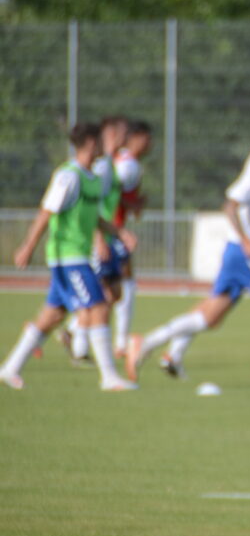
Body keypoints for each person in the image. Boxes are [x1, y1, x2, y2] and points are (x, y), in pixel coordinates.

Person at [127, 126, 250, 386]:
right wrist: (247, 242)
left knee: (210, 318)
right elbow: (230, 205)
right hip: (245, 252)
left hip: (246, 251)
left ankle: (146, 342)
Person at [0, 122, 138, 391]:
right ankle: (109, 377)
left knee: (51, 316)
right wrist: (28, 246)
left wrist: (119, 232)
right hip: (67, 258)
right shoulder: (69, 175)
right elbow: (46, 212)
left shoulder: (92, 178)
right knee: (98, 307)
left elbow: (94, 217)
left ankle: (9, 368)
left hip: (78, 256)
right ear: (89, 143)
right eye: (99, 140)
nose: (102, 145)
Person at [63, 115, 129, 362]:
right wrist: (99, 238)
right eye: (122, 132)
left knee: (112, 293)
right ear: (109, 134)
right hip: (93, 240)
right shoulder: (99, 167)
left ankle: (73, 331)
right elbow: (92, 206)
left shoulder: (109, 164)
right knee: (97, 298)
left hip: (107, 236)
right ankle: (79, 343)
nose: (126, 137)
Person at [111, 120, 153, 356]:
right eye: (147, 138)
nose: (150, 144)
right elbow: (111, 195)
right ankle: (120, 343)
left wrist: (133, 205)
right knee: (124, 284)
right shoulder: (127, 166)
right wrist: (133, 204)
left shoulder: (127, 163)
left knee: (108, 286)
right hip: (113, 230)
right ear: (135, 138)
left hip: (113, 229)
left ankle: (76, 333)